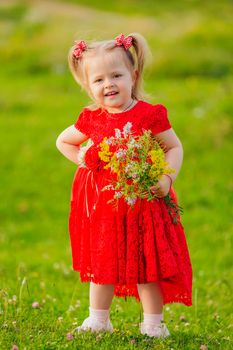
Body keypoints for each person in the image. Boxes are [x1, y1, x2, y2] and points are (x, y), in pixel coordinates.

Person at [56, 33, 192, 338]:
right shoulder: (92, 118)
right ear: (88, 86)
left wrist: (166, 178)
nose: (108, 85)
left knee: (148, 264)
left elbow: (174, 147)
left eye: (116, 75)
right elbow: (62, 141)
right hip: (105, 207)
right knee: (102, 262)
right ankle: (98, 318)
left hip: (144, 202)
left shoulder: (149, 115)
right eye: (99, 80)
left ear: (133, 75)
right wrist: (86, 159)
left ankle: (153, 324)